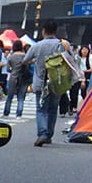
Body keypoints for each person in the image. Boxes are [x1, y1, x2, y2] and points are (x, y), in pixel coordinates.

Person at [25, 19, 67, 147]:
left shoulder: (37, 46)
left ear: (43, 31)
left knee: (41, 109)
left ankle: (42, 134)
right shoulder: (62, 45)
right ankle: (49, 135)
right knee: (53, 109)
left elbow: (26, 59)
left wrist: (36, 61)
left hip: (41, 82)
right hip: (57, 82)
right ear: (55, 31)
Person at [2, 40, 29, 118]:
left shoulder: (11, 56)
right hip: (23, 78)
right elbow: (27, 66)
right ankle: (19, 114)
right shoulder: (25, 56)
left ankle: (6, 113)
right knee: (20, 97)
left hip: (13, 77)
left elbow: (7, 69)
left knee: (10, 96)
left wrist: (13, 70)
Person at [68, 44, 92, 113]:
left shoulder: (89, 59)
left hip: (84, 78)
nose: (84, 51)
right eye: (83, 49)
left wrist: (83, 74)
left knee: (83, 93)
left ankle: (84, 106)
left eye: (86, 50)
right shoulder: (75, 58)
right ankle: (73, 107)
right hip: (74, 78)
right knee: (73, 93)